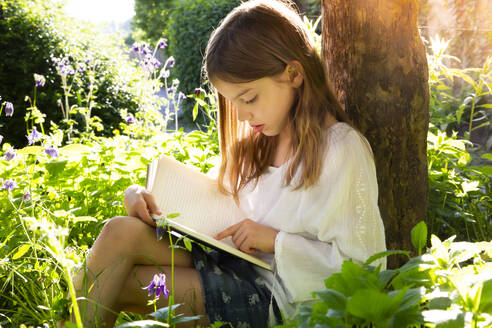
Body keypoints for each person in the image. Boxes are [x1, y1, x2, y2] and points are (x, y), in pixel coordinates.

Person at [71, 0, 387, 327]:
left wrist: (275, 241)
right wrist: (147, 198)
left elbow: (362, 267)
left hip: (278, 296)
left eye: (249, 98)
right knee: (119, 232)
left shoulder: (340, 149)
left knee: (115, 281)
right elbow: (213, 212)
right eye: (233, 103)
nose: (242, 116)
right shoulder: (257, 145)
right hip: (231, 262)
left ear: (294, 74)